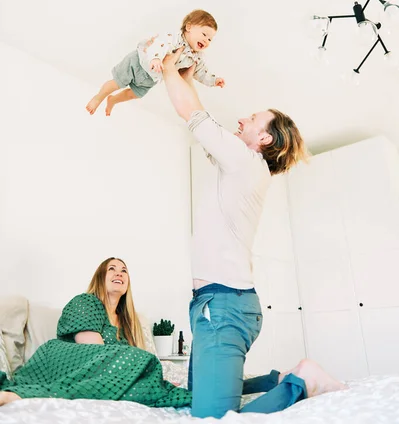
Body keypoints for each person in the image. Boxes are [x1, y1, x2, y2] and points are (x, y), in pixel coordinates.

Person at [161, 50, 347, 419]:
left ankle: (301, 383)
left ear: (264, 139)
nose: (243, 118)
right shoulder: (242, 165)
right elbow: (201, 120)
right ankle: (279, 379)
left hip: (223, 305)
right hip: (219, 304)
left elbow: (193, 116)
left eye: (254, 118)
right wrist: (184, 75)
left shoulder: (246, 163)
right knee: (195, 396)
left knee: (212, 418)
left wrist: (168, 68)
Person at [0, 258, 191, 408]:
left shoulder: (126, 323)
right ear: (100, 277)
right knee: (141, 360)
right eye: (112, 269)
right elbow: (95, 353)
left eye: (124, 270)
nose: (119, 273)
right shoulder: (85, 303)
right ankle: (18, 395)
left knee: (148, 380)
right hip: (63, 361)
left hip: (100, 371)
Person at [85, 9, 225, 116]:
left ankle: (113, 100)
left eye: (210, 39)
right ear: (188, 27)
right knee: (116, 83)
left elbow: (201, 72)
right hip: (139, 62)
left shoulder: (196, 57)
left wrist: (213, 80)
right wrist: (156, 58)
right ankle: (99, 97)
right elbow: (160, 45)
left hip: (152, 77)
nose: (206, 41)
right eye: (204, 34)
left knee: (133, 94)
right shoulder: (174, 39)